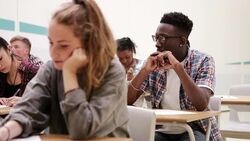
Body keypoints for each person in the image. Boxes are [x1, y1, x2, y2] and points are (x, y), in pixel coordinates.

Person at [0, 0, 129, 140]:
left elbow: (82, 131)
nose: (53, 53)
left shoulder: (112, 72)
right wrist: (6, 132)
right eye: (51, 42)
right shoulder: (52, 68)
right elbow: (30, 109)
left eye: (63, 46)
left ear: (89, 44)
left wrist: (69, 74)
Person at [127, 12, 222, 141]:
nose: (157, 44)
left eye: (163, 38)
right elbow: (127, 100)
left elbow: (201, 104)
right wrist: (144, 71)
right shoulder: (154, 62)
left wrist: (178, 68)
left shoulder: (203, 60)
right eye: (156, 37)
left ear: (182, 41)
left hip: (194, 129)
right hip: (161, 130)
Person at [0, 36, 42, 107]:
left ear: (9, 49)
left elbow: (52, 99)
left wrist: (25, 100)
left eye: (0, 59)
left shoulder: (33, 71)